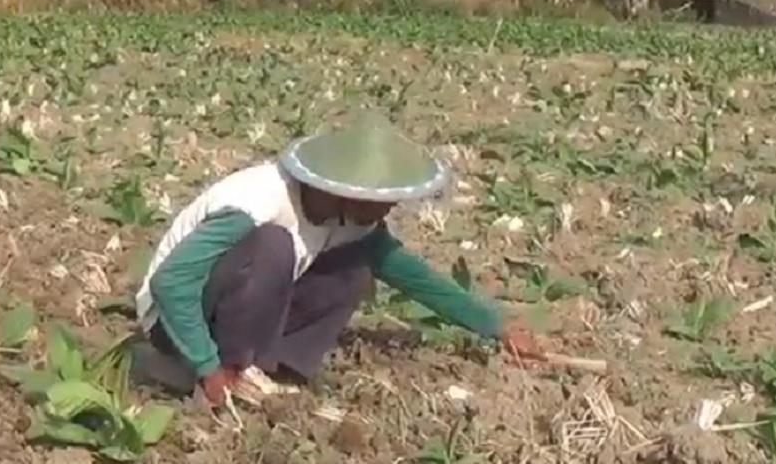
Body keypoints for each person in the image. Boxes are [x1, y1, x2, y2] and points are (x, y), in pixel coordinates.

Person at [134, 116, 546, 406]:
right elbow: (171, 283)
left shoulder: (345, 218)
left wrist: (496, 326)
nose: (386, 211)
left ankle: (271, 372)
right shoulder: (257, 203)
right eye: (379, 202)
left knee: (355, 270)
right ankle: (210, 371)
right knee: (274, 248)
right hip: (173, 324)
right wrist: (207, 365)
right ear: (344, 193)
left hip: (227, 311)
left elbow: (411, 274)